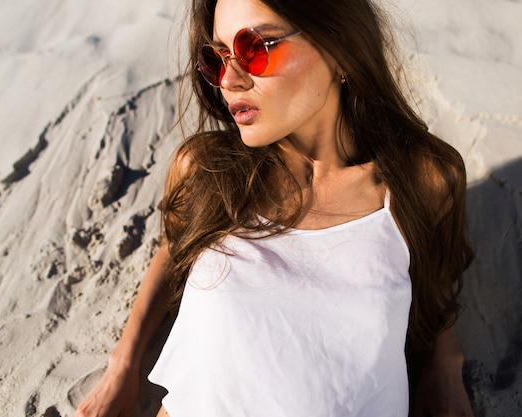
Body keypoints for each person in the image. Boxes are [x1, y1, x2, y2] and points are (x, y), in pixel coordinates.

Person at [75, 0, 475, 415]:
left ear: (340, 48)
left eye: (255, 48)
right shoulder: (207, 174)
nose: (229, 80)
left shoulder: (424, 181)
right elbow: (172, 249)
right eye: (218, 57)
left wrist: (445, 365)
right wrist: (123, 365)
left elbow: (432, 277)